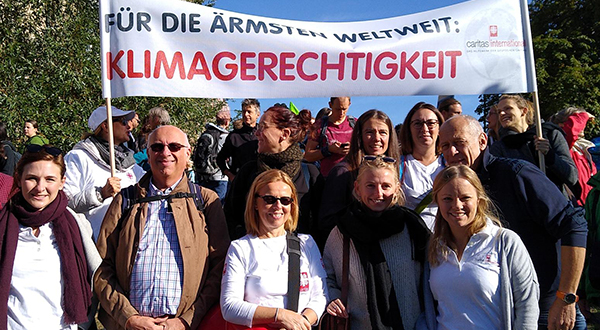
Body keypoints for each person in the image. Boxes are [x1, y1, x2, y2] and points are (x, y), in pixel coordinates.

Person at [439, 115, 588, 330]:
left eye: (459, 143)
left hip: (546, 308)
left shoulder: (516, 174)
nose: (452, 152)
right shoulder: (452, 190)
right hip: (500, 313)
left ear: (482, 141)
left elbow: (574, 224)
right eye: (445, 146)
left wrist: (566, 297)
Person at [94, 125, 230, 330]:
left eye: (174, 146)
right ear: (147, 154)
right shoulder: (126, 200)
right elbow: (102, 265)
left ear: (187, 153)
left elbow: (220, 267)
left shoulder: (206, 201)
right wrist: (128, 317)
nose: (165, 152)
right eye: (157, 147)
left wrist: (187, 320)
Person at [421, 165, 539, 329]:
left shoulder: (505, 242)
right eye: (447, 199)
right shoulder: (433, 247)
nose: (457, 205)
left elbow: (527, 305)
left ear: (479, 200)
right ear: (437, 202)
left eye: (465, 198)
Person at [323, 155, 430, 330]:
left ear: (397, 188)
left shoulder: (412, 228)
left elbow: (432, 277)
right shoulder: (342, 231)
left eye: (386, 186)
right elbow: (326, 276)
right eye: (370, 186)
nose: (378, 194)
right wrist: (334, 297)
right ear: (357, 188)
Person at [0, 145, 100, 330]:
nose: (40, 188)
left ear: (62, 182)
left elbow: (96, 276)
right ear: (18, 179)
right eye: (31, 178)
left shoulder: (76, 225)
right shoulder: (3, 226)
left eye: (49, 179)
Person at [220, 169, 327, 329]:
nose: (278, 206)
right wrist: (280, 315)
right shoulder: (240, 248)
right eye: (269, 199)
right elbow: (229, 306)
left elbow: (321, 295)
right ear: (255, 203)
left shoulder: (307, 243)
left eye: (285, 200)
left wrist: (299, 323)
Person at [224, 106, 319, 240]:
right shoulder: (248, 172)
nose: (257, 133)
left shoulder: (309, 174)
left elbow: (320, 225)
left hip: (297, 257)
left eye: (263, 127)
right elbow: (230, 217)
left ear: (284, 134)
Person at [317, 109, 400, 249]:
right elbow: (327, 222)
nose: (377, 138)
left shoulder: (397, 169)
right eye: (369, 132)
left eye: (383, 132)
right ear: (359, 136)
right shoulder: (343, 172)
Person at [63, 106, 145, 240]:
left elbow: (150, 184)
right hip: (93, 245)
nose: (129, 126)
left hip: (125, 244)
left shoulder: (129, 163)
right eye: (123, 121)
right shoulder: (77, 157)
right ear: (106, 126)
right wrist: (100, 194)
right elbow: (66, 203)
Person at [491, 94, 578, 196]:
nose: (501, 113)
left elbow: (572, 177)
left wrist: (549, 155)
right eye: (499, 111)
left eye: (508, 108)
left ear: (523, 111)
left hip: (557, 204)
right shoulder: (500, 147)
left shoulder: (550, 134)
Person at [398, 102, 445, 230]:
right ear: (409, 129)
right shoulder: (398, 166)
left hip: (445, 240)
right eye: (418, 123)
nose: (424, 129)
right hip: (410, 240)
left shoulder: (450, 165)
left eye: (431, 123)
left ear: (440, 127)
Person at [550, 107, 597, 205]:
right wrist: (584, 115)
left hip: (588, 204)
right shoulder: (563, 143)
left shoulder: (582, 147)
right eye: (577, 119)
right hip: (575, 204)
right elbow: (571, 132)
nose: (583, 125)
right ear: (562, 125)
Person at [304, 97, 355, 177]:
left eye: (344, 109)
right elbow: (308, 156)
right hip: (328, 179)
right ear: (330, 105)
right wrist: (328, 149)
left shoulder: (355, 124)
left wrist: (352, 149)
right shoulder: (319, 125)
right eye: (338, 109)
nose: (341, 113)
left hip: (352, 178)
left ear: (349, 104)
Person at [217, 98, 260, 182]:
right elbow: (220, 158)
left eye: (249, 111)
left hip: (259, 182)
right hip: (240, 183)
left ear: (257, 114)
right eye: (244, 111)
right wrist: (230, 175)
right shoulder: (234, 136)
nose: (246, 114)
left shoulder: (263, 134)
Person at [194, 104, 231, 200]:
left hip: (202, 176)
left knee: (202, 206)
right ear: (227, 122)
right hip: (219, 178)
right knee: (217, 207)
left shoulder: (206, 133)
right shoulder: (225, 137)